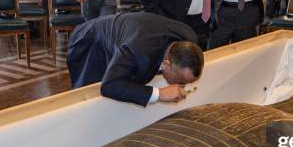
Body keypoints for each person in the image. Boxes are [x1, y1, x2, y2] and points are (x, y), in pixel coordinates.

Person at [67, 12, 204, 106]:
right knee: (88, 100)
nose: (182, 86)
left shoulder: (189, 37)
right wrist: (160, 94)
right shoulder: (138, 52)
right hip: (90, 42)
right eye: (181, 81)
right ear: (166, 65)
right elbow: (109, 86)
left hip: (126, 34)